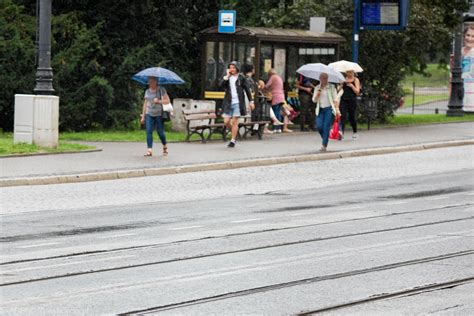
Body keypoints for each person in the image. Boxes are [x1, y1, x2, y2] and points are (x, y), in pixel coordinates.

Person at [222, 61, 254, 148]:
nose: (231, 69)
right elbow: (221, 86)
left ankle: (232, 140)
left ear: (237, 68)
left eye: (233, 67)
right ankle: (234, 132)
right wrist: (226, 77)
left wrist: (251, 101)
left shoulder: (241, 78)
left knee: (235, 121)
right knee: (226, 121)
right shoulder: (227, 78)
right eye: (230, 67)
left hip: (237, 103)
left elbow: (247, 90)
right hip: (228, 102)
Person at [312, 72, 341, 152]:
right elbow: (314, 100)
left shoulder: (331, 87)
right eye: (323, 78)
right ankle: (325, 137)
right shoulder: (317, 88)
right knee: (319, 126)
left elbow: (335, 99)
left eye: (326, 78)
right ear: (320, 79)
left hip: (329, 109)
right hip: (320, 109)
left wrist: (337, 109)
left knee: (326, 127)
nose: (324, 80)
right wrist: (317, 95)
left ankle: (324, 145)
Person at [140, 77, 169, 157]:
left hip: (159, 114)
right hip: (149, 113)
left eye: (152, 82)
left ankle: (164, 145)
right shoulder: (147, 91)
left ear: (156, 82)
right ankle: (149, 150)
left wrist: (159, 101)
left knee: (160, 132)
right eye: (149, 82)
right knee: (149, 131)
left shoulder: (161, 89)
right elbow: (145, 103)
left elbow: (167, 101)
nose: (150, 83)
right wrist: (143, 115)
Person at [339, 70, 360, 140]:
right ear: (346, 73)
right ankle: (342, 133)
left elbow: (357, 92)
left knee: (352, 117)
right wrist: (341, 85)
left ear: (353, 72)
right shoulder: (343, 79)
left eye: (351, 72)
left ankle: (355, 132)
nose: (349, 74)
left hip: (352, 100)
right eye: (348, 72)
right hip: (343, 100)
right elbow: (338, 90)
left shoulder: (356, 80)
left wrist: (352, 86)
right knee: (342, 116)